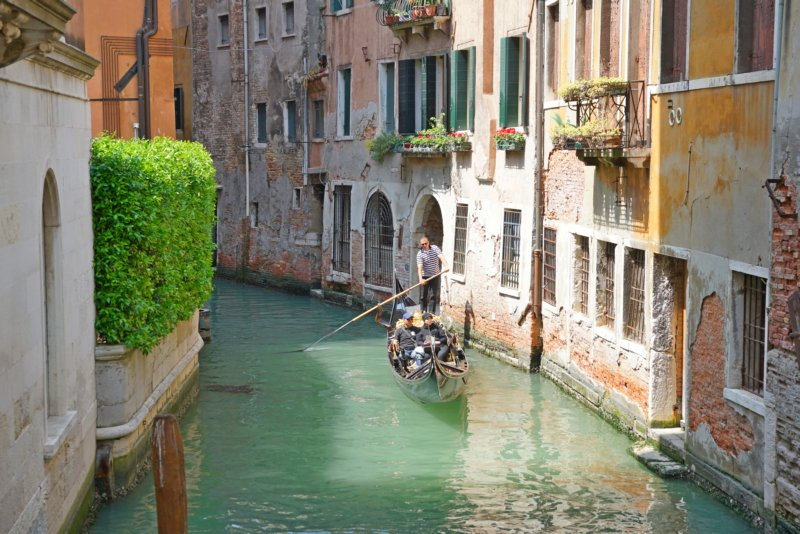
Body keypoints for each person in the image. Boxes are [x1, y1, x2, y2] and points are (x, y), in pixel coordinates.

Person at [416, 235, 449, 314]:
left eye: (425, 243)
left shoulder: (435, 248)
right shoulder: (420, 254)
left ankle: (431, 314)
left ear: (428, 243)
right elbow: (419, 268)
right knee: (423, 296)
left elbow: (441, 257)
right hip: (425, 277)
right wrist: (421, 279)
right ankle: (423, 313)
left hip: (435, 276)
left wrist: (446, 265)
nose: (424, 245)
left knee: (433, 295)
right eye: (422, 244)